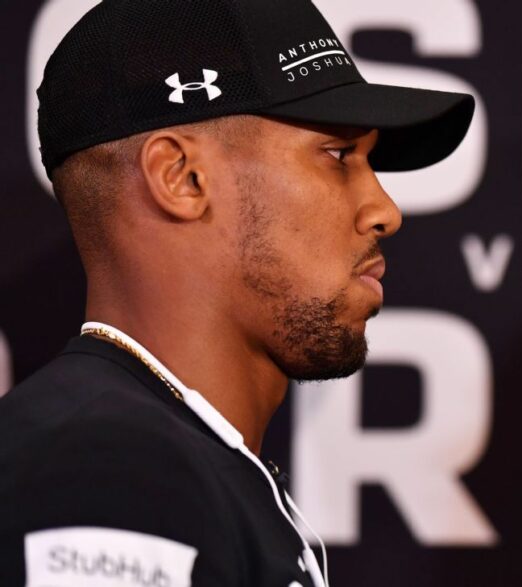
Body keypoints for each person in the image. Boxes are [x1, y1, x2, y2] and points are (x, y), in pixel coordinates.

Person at [0, 0, 473, 585]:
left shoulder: (174, 458)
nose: (385, 210)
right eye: (338, 155)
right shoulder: (103, 472)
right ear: (182, 178)